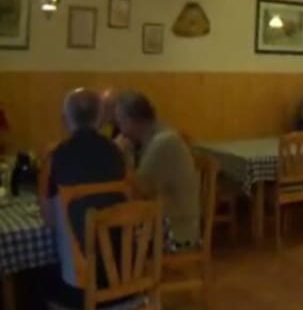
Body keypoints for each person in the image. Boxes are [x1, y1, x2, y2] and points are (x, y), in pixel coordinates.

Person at [44, 88, 128, 308]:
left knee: (32, 279)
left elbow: (49, 221)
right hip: (125, 280)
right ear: (100, 120)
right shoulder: (119, 155)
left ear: (65, 119)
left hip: (80, 289)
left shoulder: (56, 158)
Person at [114, 90, 200, 250]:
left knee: (114, 240)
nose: (120, 131)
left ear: (130, 120)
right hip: (167, 222)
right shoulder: (155, 135)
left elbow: (139, 191)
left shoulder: (163, 142)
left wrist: (121, 156)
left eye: (120, 123)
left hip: (176, 233)